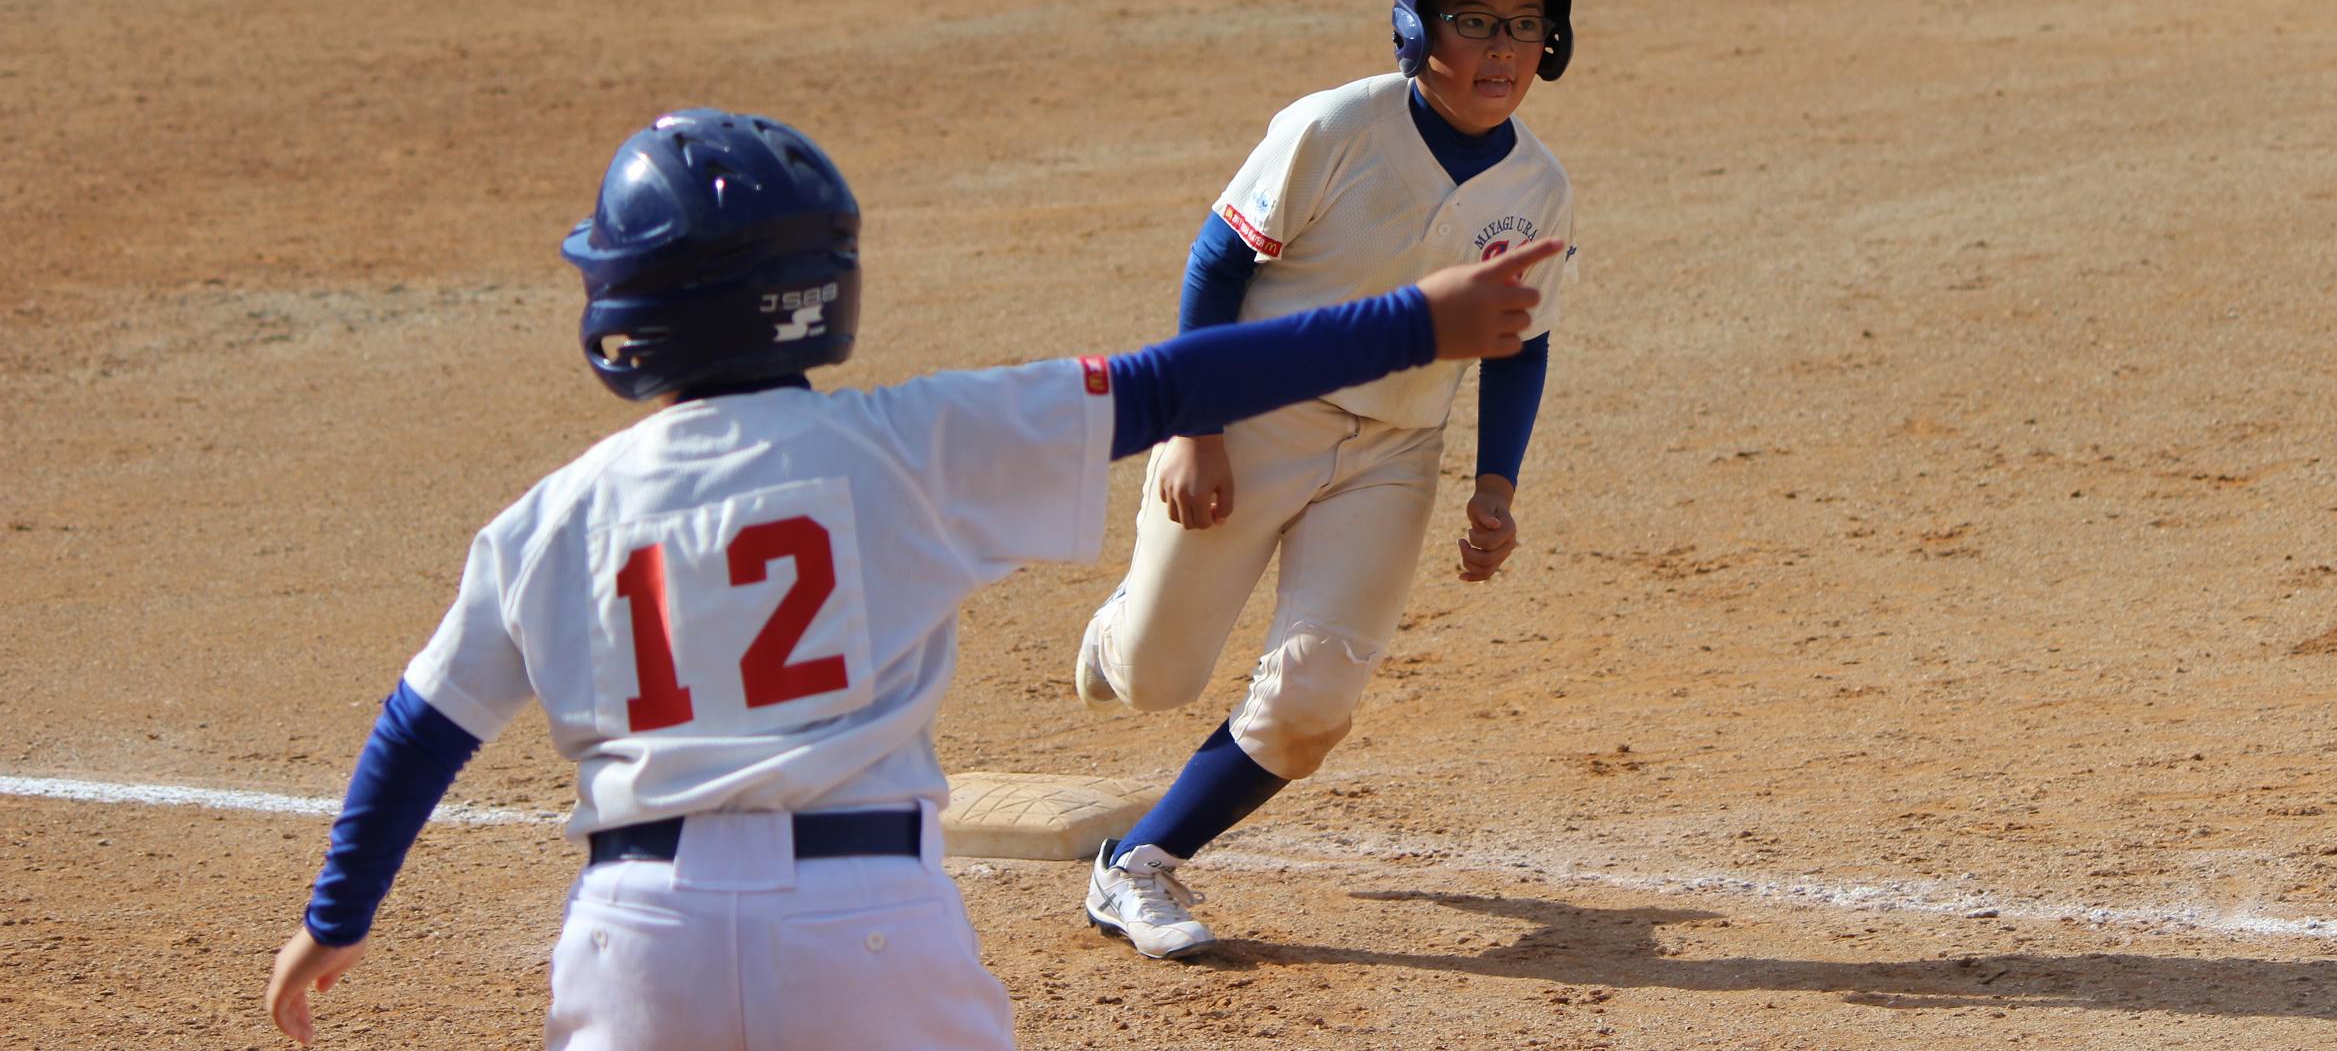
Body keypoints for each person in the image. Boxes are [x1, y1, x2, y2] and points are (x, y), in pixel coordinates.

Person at [262, 107, 1556, 1049]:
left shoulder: (547, 519)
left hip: (633, 938)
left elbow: (420, 725)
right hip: (865, 925)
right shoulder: (904, 442)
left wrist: (339, 912)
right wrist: (1421, 321)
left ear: (620, 313)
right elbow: (1172, 383)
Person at [1073, 0, 1578, 958]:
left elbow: (1520, 341)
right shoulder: (1333, 128)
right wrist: (1192, 426)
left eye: (1523, 21)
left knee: (1314, 697)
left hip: (1393, 453)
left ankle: (1140, 864)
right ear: (1417, 27)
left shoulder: (1539, 186)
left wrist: (1498, 487)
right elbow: (1219, 263)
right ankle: (1123, 622)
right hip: (1253, 417)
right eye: (1473, 19)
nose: (1501, 49)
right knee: (1156, 678)